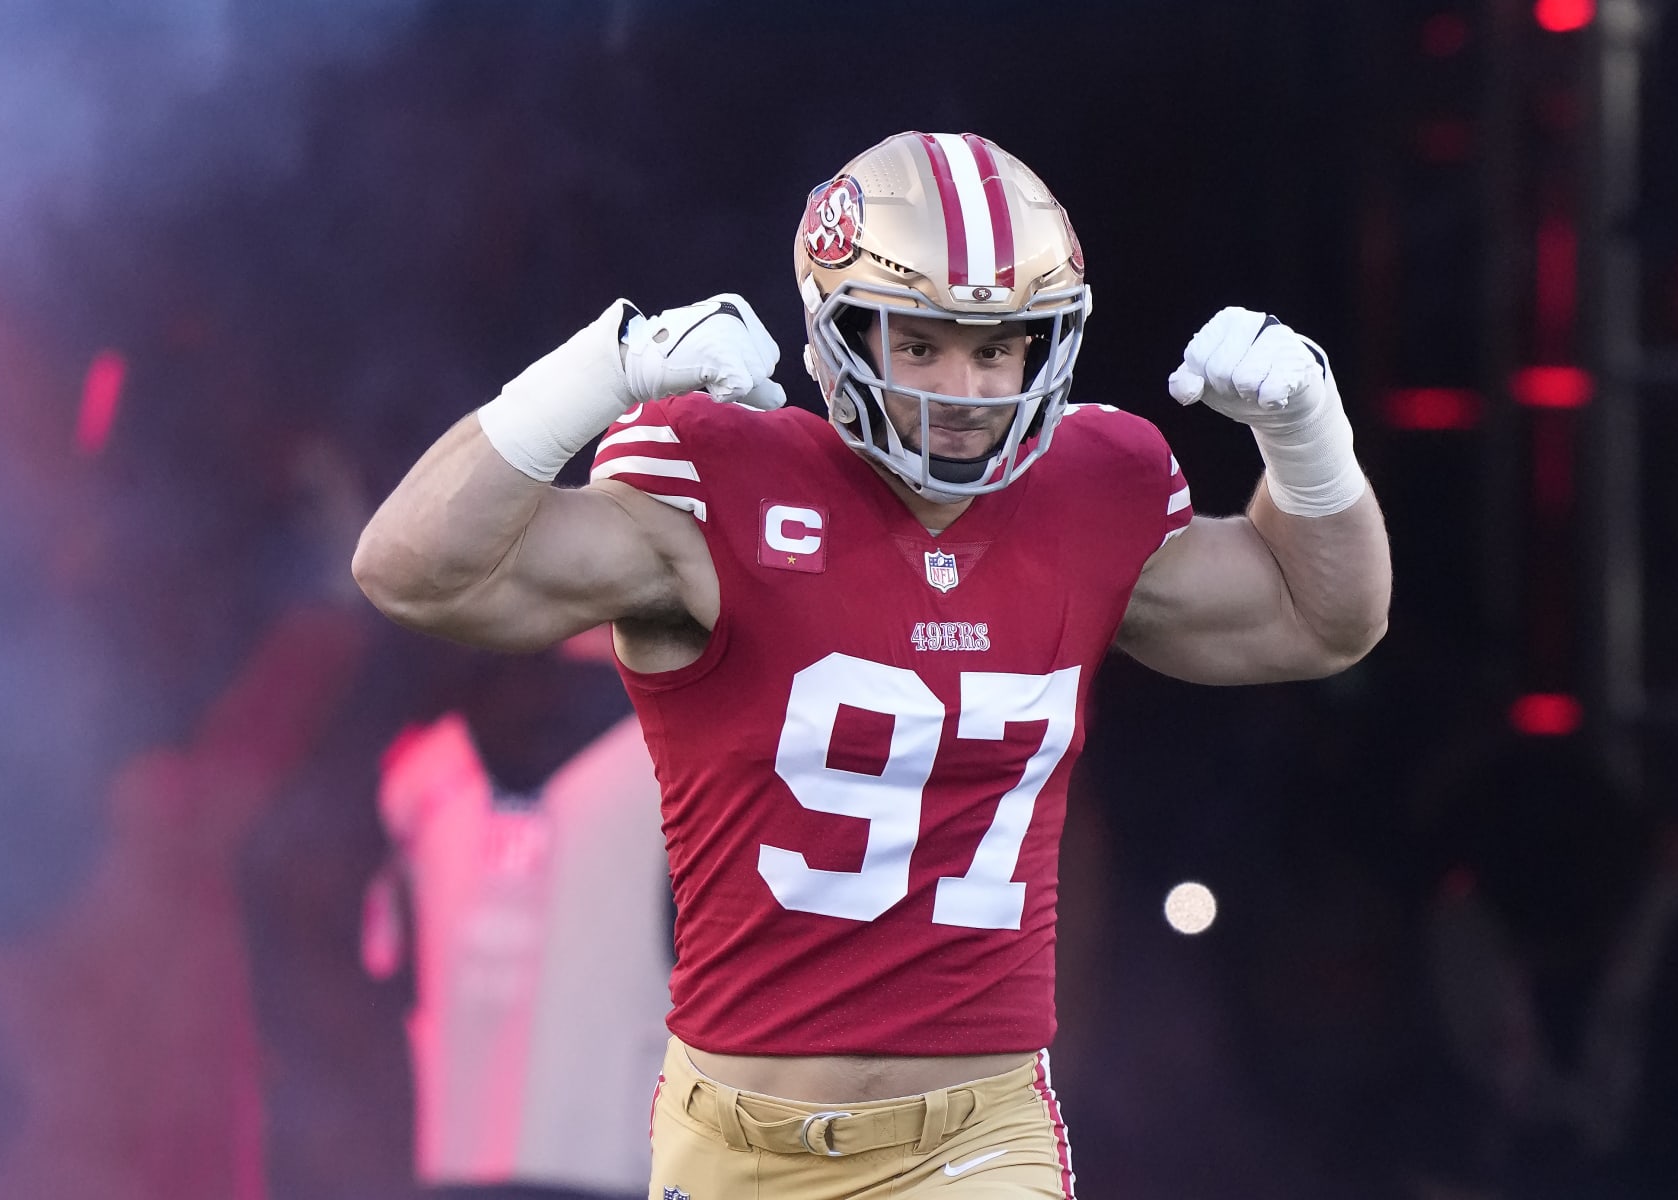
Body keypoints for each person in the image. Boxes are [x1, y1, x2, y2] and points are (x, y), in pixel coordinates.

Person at [353, 130, 1391, 1198]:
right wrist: (596, 371)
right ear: (840, 332)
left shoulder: (1094, 491)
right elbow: (413, 571)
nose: (968, 388)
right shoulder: (720, 486)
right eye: (924, 344)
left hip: (976, 1139)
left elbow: (1323, 619)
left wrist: (1311, 443)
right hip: (736, 1136)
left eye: (999, 348)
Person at [363, 627, 670, 1200]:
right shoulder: (689, 765)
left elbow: (380, 970)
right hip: (625, 1166)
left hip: (453, 1166)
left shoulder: (419, 768)